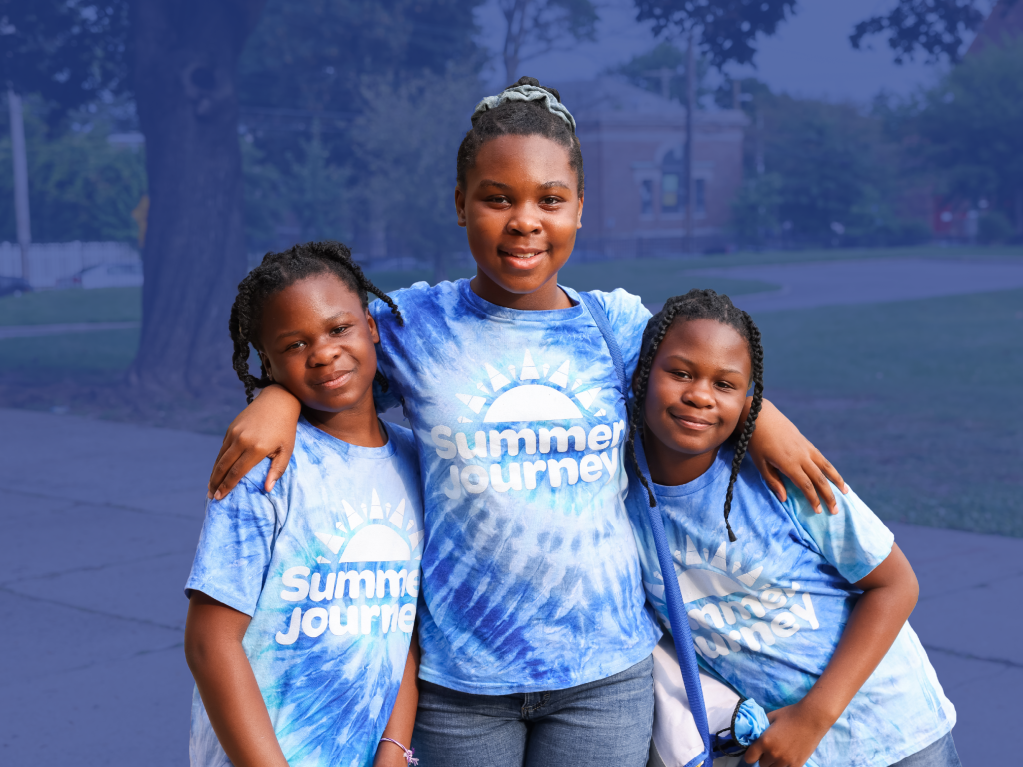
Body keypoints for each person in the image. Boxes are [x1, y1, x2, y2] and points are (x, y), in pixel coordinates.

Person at [205, 78, 848, 767]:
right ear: (460, 204)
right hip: (460, 685)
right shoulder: (414, 323)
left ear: (579, 208)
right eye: (497, 198)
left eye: (549, 199)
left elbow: (699, 377)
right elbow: (331, 365)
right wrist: (275, 399)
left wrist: (760, 413)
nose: (524, 221)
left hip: (603, 676)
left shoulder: (616, 325)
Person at [627, 289, 958, 767]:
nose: (699, 395)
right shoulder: (613, 487)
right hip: (784, 751)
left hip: (895, 733)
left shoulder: (785, 476)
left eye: (725, 384)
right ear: (641, 373)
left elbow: (895, 584)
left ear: (749, 399)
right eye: (680, 373)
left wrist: (812, 718)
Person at [184, 241, 424, 767]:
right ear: (267, 363)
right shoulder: (263, 468)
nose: (323, 352)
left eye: (338, 329)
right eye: (295, 344)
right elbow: (209, 643)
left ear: (371, 326)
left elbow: (406, 625)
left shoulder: (416, 461)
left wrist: (394, 749)